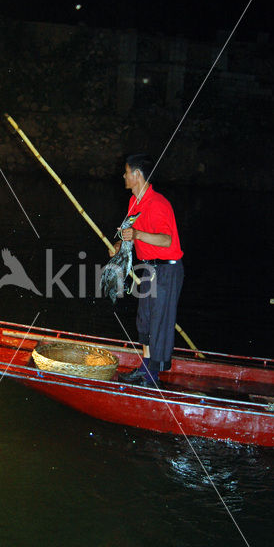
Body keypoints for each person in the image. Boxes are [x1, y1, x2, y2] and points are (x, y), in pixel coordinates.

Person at [111, 154, 184, 388]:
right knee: (144, 320)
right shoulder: (134, 202)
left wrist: (138, 235)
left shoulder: (158, 204)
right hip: (148, 269)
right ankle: (145, 367)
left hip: (166, 270)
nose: (123, 176)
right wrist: (119, 245)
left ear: (137, 175)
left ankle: (152, 377)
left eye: (126, 171)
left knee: (159, 322)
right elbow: (129, 232)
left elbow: (166, 240)